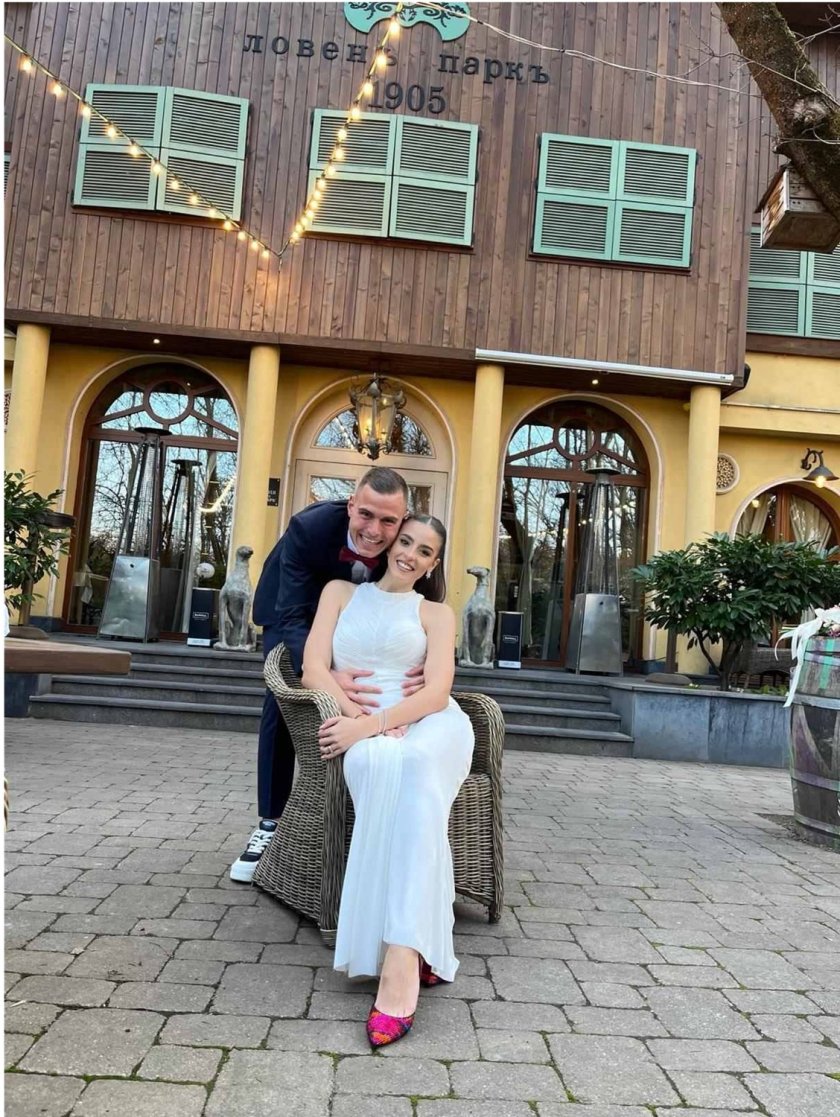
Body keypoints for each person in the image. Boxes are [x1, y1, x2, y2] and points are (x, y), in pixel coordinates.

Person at [302, 514, 474, 1048]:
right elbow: (312, 668)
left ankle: (401, 958)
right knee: (382, 766)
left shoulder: (436, 613)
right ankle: (422, 940)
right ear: (390, 543)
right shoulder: (339, 593)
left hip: (430, 723)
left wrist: (378, 723)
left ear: (433, 564)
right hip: (361, 726)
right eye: (406, 542)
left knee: (417, 765)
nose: (410, 555)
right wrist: (356, 719)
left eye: (425, 551)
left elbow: (438, 693)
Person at [229, 467, 411, 882]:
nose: (374, 531)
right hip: (292, 610)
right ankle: (270, 822)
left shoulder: (407, 539)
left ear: (403, 520)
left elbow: (420, 601)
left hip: (354, 618)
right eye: (365, 515)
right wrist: (324, 672)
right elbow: (293, 616)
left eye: (388, 521)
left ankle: (356, 824)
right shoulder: (308, 529)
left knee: (370, 691)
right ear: (350, 505)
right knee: (284, 697)